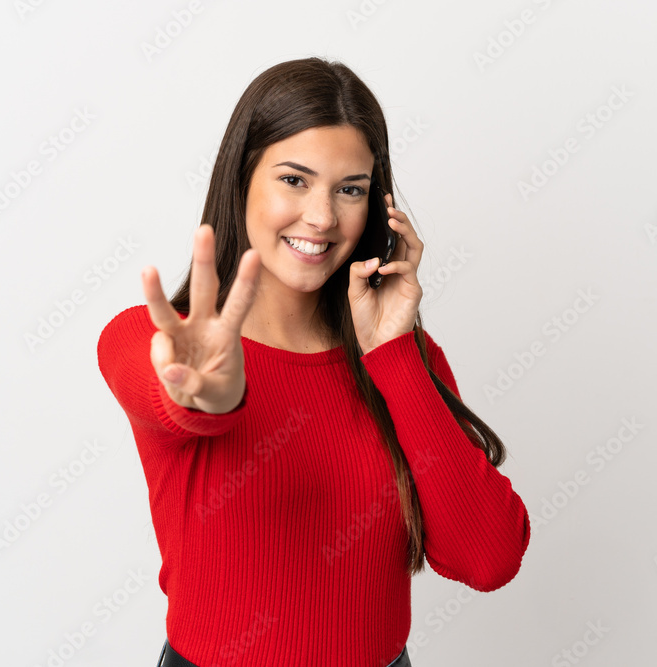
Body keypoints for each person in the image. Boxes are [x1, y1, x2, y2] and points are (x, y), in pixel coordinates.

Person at [96, 56, 530, 667]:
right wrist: (206, 393)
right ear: (242, 178)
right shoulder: (150, 336)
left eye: (349, 188)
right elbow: (175, 396)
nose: (323, 217)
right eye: (294, 180)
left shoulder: (403, 356)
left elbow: (487, 560)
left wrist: (396, 358)